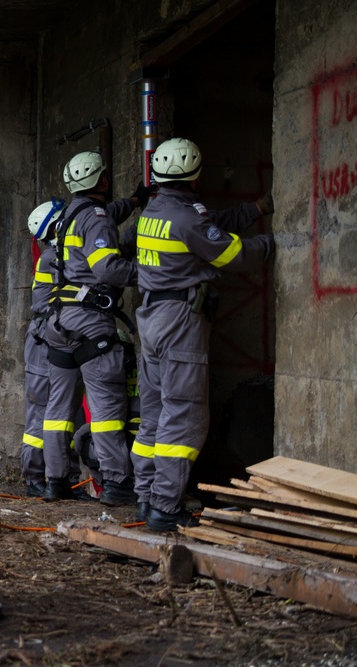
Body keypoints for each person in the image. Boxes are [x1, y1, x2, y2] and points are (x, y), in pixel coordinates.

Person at [133, 137, 274, 532]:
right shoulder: (185, 218)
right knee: (185, 414)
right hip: (181, 322)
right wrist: (274, 243)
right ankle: (165, 507)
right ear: (196, 174)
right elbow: (233, 254)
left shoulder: (155, 211)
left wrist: (255, 209)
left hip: (153, 318)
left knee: (155, 416)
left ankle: (145, 498)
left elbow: (208, 225)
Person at [37, 151, 150, 504]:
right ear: (101, 180)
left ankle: (55, 481)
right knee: (106, 408)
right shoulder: (96, 219)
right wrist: (152, 276)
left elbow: (102, 216)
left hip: (59, 324)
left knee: (58, 411)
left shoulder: (70, 215)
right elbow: (107, 270)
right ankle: (117, 483)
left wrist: (133, 202)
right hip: (90, 324)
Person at [21, 198, 86, 497]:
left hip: (53, 336)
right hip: (43, 341)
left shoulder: (57, 254)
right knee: (41, 410)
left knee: (66, 413)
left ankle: (64, 477)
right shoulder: (52, 257)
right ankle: (35, 476)